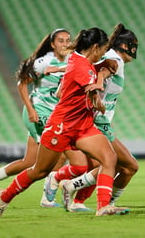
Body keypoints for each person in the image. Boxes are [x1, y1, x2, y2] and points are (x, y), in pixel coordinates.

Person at [0, 27, 130, 218]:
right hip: (62, 126)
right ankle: (4, 195)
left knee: (109, 159)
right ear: (95, 47)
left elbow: (74, 83)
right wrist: (98, 91)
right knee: (40, 170)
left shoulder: (79, 60)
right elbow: (91, 87)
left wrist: (102, 67)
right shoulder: (80, 66)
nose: (104, 54)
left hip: (83, 126)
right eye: (103, 50)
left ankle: (103, 206)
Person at [0, 28, 71, 207]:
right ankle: (47, 198)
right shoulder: (43, 62)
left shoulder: (71, 59)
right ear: (52, 44)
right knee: (63, 151)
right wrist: (30, 110)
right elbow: (22, 84)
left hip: (52, 116)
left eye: (68, 40)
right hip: (39, 114)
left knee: (30, 161)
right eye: (61, 41)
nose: (65, 44)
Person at [56, 23, 140, 212]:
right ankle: (94, 198)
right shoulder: (114, 58)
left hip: (99, 120)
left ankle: (77, 192)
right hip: (97, 121)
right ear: (126, 46)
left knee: (113, 165)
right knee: (128, 166)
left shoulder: (111, 58)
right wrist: (99, 83)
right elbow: (104, 71)